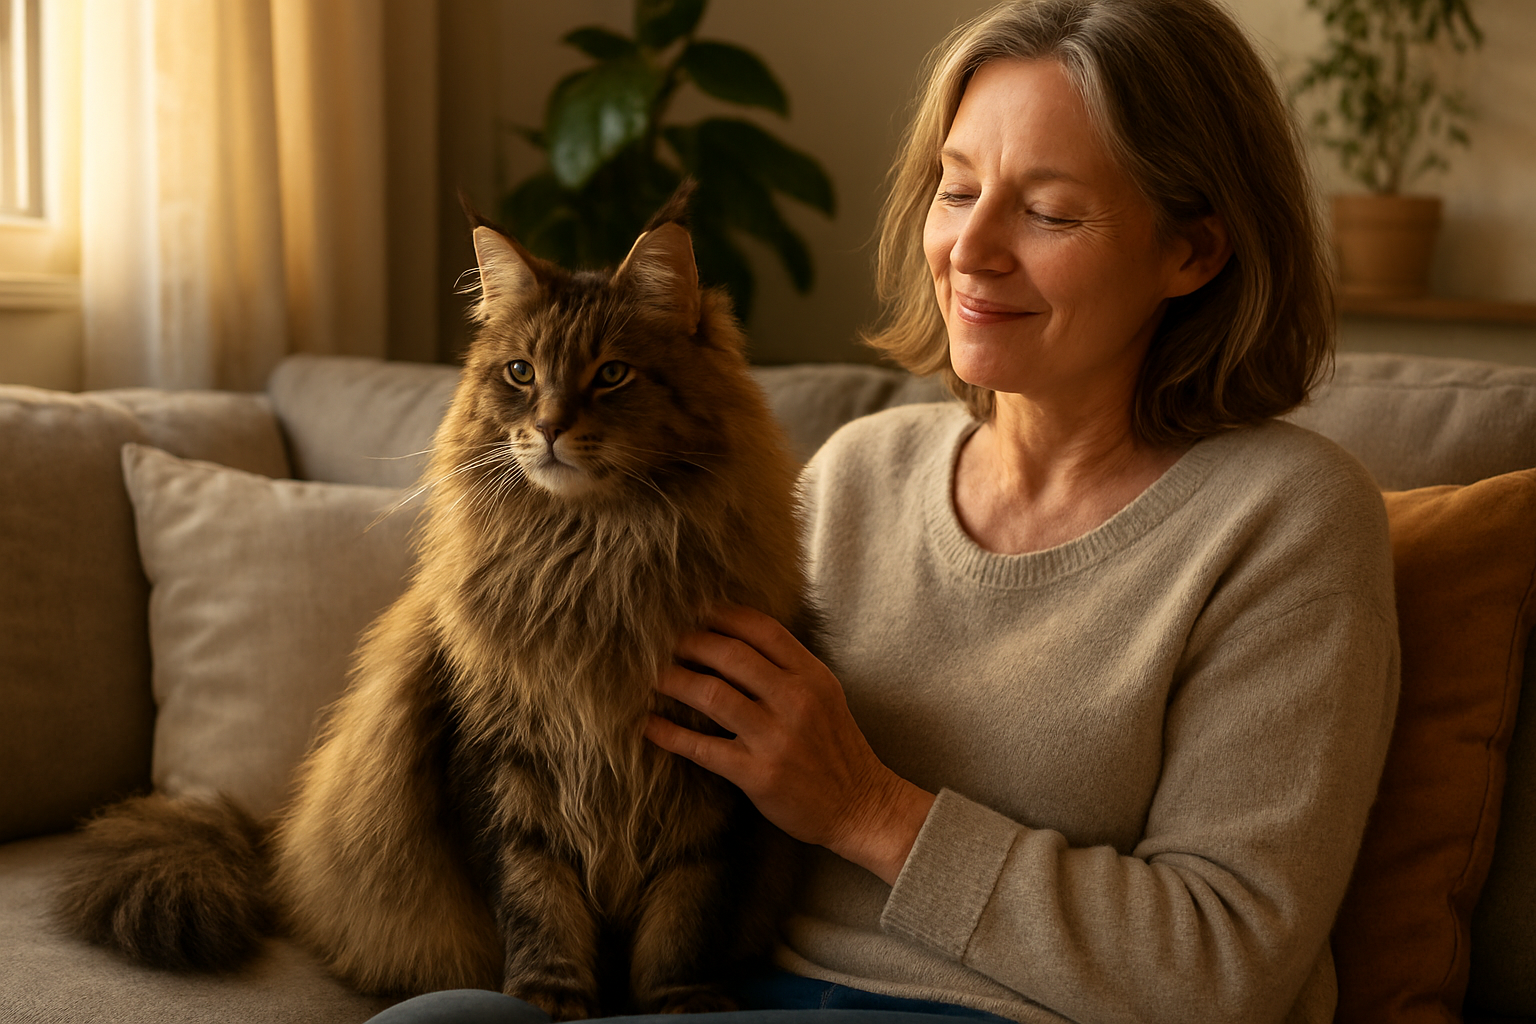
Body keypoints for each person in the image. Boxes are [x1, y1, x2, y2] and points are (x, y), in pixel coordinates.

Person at [372, 0, 1399, 1022]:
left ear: (1193, 251)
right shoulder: (859, 471)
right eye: (955, 191)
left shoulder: (1288, 518)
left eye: (1046, 210)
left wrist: (868, 808)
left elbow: (1227, 969)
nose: (971, 250)